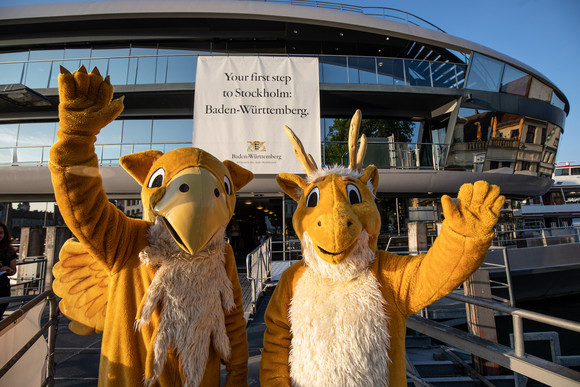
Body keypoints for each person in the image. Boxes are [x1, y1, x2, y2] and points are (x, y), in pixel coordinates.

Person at [0, 222, 17, 318]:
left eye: (1, 233)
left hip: (3, 288)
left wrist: (9, 271)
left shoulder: (9, 251)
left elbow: (14, 270)